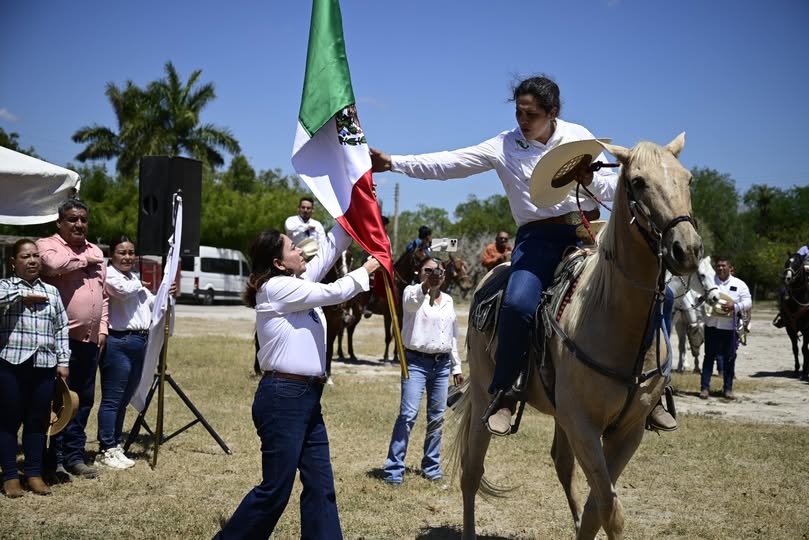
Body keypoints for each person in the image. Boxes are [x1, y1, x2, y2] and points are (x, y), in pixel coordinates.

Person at [372, 75, 685, 435]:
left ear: (552, 113)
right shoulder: (503, 146)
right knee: (519, 303)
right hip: (537, 239)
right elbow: (450, 163)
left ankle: (656, 389)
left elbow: (614, 189)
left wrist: (589, 179)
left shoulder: (578, 137)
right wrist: (393, 162)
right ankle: (505, 391)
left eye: (531, 113)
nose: (522, 119)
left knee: (662, 297)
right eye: (519, 112)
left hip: (588, 235)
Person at [215, 224, 380, 539]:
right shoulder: (277, 288)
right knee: (275, 490)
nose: (301, 251)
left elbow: (328, 250)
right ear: (278, 262)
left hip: (306, 397)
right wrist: (368, 268)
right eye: (293, 248)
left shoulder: (294, 283)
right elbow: (334, 292)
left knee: (320, 485)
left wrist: (348, 218)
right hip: (283, 398)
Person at [36, 199, 108, 480]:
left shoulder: (96, 250)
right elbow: (52, 265)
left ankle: (75, 456)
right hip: (58, 342)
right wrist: (83, 261)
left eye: (83, 220)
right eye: (72, 219)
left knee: (84, 400)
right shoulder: (49, 244)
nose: (79, 225)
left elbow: (103, 296)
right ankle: (51, 459)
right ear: (60, 223)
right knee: (57, 401)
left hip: (89, 341)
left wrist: (103, 329)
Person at [382, 257, 464, 485]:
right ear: (420, 272)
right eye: (428, 271)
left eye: (437, 271)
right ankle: (394, 470)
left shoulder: (448, 300)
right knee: (408, 416)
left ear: (445, 276)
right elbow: (411, 303)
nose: (433, 274)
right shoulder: (411, 291)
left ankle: (431, 467)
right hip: (415, 362)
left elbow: (452, 336)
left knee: (437, 418)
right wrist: (427, 284)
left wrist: (456, 366)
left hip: (441, 365)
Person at [1, 239, 70, 497]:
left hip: (44, 367)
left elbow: (61, 328)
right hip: (11, 365)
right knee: (8, 422)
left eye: (35, 256)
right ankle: (9, 476)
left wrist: (63, 362)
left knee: (37, 422)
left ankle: (33, 473)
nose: (32, 261)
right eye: (25, 256)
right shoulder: (5, 287)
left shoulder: (52, 292)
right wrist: (22, 294)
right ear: (13, 262)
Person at [95, 235, 163, 470]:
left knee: (124, 399)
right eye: (122, 253)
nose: (127, 257)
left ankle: (116, 444)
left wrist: (165, 293)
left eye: (131, 253)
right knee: (113, 399)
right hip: (118, 342)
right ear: (111, 254)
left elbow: (152, 304)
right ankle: (106, 447)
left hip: (139, 342)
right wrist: (143, 285)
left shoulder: (133, 277)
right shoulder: (110, 275)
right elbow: (122, 292)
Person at [699, 257, 752, 400]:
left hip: (729, 328)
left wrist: (734, 306)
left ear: (730, 268)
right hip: (712, 325)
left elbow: (748, 302)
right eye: (718, 266)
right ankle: (704, 388)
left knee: (730, 358)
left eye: (723, 266)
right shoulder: (710, 281)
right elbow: (699, 295)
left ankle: (728, 389)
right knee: (709, 357)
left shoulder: (739, 284)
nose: (720, 268)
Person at [773, 241, 808, 328]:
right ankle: (783, 315)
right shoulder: (804, 249)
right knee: (783, 291)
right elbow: (796, 261)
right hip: (802, 276)